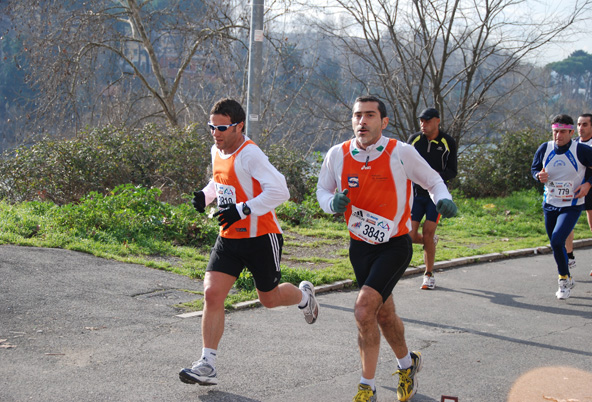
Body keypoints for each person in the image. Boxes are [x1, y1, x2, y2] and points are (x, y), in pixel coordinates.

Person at [316, 96, 457, 402]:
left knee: (364, 309)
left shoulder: (400, 152)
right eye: (357, 116)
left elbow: (433, 180)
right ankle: (408, 365)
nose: (362, 122)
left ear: (384, 122)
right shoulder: (338, 154)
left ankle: (367, 386)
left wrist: (442, 199)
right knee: (383, 315)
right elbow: (322, 190)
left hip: (394, 245)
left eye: (369, 115)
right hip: (359, 246)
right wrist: (331, 204)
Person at [179, 98, 319, 386]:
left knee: (268, 299)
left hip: (261, 237)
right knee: (212, 295)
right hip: (229, 238)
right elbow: (221, 182)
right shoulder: (216, 150)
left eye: (222, 128)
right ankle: (207, 364)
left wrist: (242, 209)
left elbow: (280, 190)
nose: (215, 133)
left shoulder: (250, 154)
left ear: (239, 126)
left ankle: (305, 297)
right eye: (211, 127)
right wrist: (205, 196)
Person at [531, 114, 592, 300]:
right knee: (556, 243)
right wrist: (538, 176)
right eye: (555, 131)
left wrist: (589, 184)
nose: (558, 135)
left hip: (572, 204)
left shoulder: (582, 150)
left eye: (562, 131)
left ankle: (562, 280)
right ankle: (568, 276)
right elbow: (534, 168)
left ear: (571, 132)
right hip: (550, 203)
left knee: (556, 240)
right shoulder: (545, 148)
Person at [407, 108, 458, 290]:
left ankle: (428, 275)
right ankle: (431, 242)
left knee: (428, 232)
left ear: (437, 121)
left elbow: (453, 171)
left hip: (435, 195)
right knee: (410, 235)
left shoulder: (447, 142)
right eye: (421, 121)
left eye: (427, 121)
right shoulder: (414, 140)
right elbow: (403, 164)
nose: (423, 124)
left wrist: (437, 176)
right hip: (416, 195)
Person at [564, 114, 592, 277]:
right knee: (567, 225)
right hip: (573, 191)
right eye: (578, 124)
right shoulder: (571, 144)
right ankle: (569, 257)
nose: (581, 128)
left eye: (585, 124)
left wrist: (589, 183)